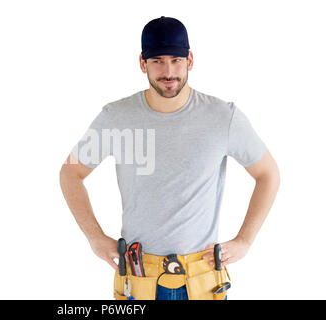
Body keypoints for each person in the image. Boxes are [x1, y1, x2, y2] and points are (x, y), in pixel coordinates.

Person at [59, 16, 280, 300]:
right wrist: (95, 237)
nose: (168, 71)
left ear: (190, 59)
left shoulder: (223, 117)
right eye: (157, 61)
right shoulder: (116, 117)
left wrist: (245, 241)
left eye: (176, 59)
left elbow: (268, 174)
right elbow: (70, 173)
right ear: (142, 63)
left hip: (203, 279)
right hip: (139, 281)